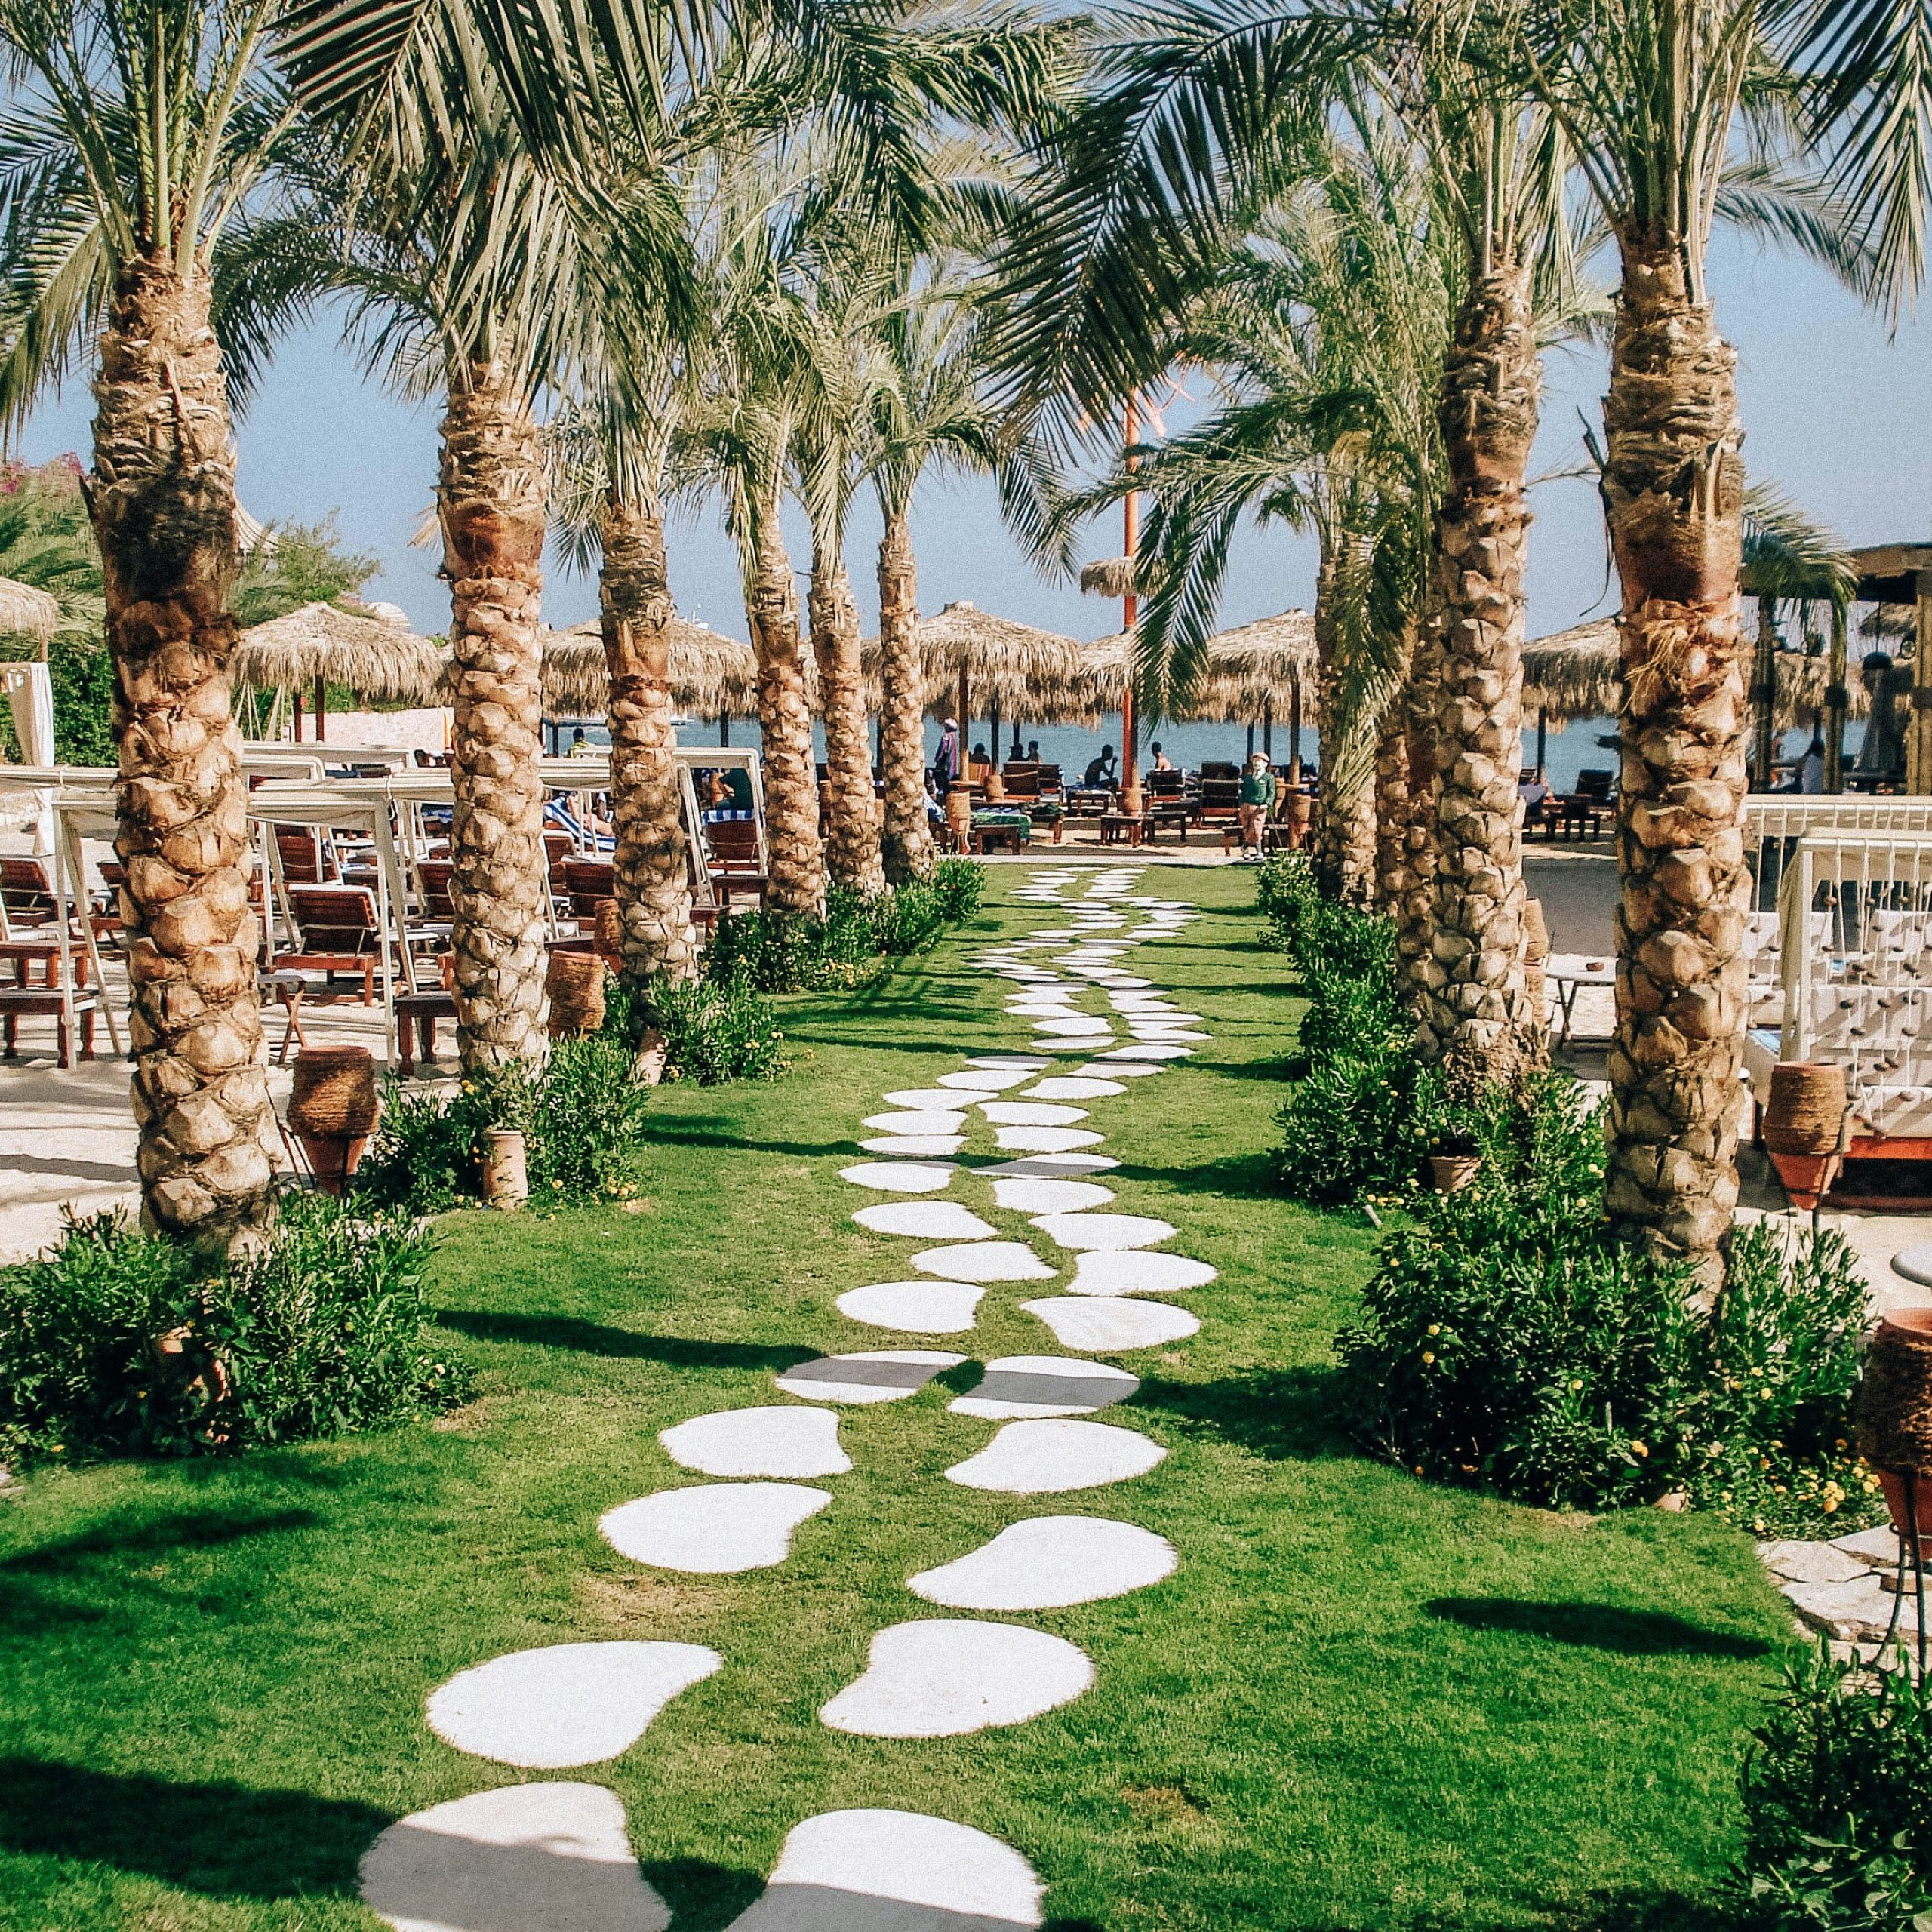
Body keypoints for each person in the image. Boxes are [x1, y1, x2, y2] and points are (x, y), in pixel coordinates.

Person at [1238, 750, 1277, 851]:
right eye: (1255, 761)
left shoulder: (1268, 777)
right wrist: (1241, 804)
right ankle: (1246, 849)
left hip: (1259, 807)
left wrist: (1267, 803)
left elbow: (1271, 792)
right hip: (1247, 806)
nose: (1256, 763)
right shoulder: (1248, 778)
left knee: (1256, 828)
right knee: (1247, 828)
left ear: (1265, 764)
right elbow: (1244, 792)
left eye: (1259, 761)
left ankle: (1257, 851)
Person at [1518, 767, 1555, 833]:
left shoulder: (1518, 789)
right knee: (1551, 815)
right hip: (1537, 814)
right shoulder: (1541, 789)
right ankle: (1550, 835)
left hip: (1522, 815)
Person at [933, 717, 961, 792]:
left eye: (946, 726)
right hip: (956, 768)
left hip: (948, 766)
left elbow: (942, 751)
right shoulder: (956, 737)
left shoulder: (946, 737)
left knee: (940, 777)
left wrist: (937, 759)